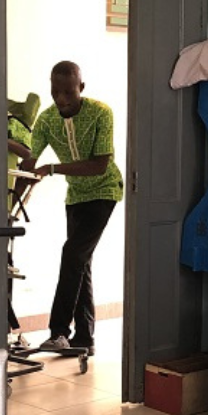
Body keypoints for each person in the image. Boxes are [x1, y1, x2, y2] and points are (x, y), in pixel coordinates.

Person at [28, 61, 124, 356]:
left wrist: (54, 168)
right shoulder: (46, 120)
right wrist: (15, 204)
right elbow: (31, 161)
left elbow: (99, 165)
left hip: (105, 191)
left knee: (72, 254)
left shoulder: (100, 113)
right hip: (76, 197)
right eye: (55, 92)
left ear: (81, 88)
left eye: (69, 92)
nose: (61, 99)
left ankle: (59, 332)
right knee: (80, 262)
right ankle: (85, 338)